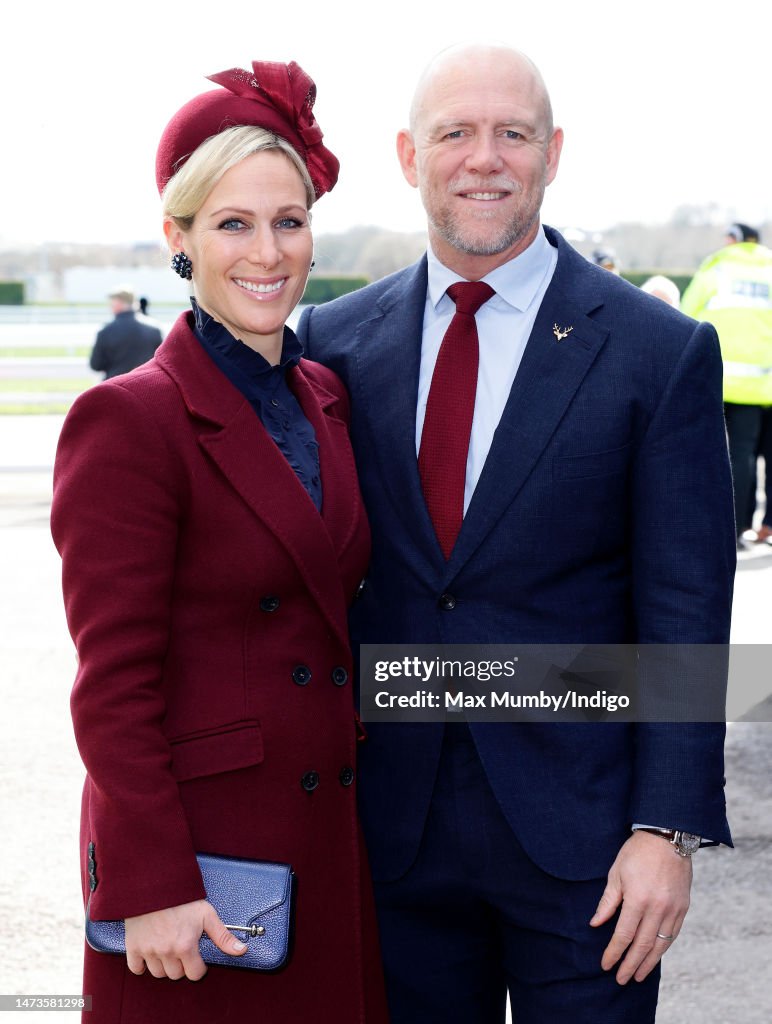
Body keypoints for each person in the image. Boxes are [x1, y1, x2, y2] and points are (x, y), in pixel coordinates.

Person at [297, 44, 735, 1023]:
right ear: (409, 156)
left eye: (512, 133)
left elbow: (685, 606)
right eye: (455, 133)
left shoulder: (657, 353)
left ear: (553, 153)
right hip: (386, 837)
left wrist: (665, 827)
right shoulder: (332, 344)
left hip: (585, 847)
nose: (483, 158)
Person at [51, 60, 387, 1024]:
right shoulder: (129, 419)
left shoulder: (323, 397)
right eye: (233, 224)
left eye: (289, 221)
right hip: (200, 874)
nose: (267, 252)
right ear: (180, 240)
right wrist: (149, 882)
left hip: (324, 847)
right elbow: (112, 683)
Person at [681, 222, 772, 549]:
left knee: (705, 454)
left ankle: (712, 526)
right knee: (743, 457)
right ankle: (739, 528)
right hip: (758, 386)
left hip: (713, 382)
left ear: (732, 240)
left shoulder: (717, 266)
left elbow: (686, 316)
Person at [88, 286, 163, 378]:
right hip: (146, 385)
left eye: (112, 302)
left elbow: (96, 365)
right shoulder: (154, 329)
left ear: (119, 303)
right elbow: (161, 360)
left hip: (115, 386)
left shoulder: (106, 331)